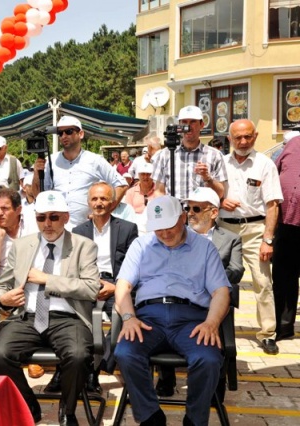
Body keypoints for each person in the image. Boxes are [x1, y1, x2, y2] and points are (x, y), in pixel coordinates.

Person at [114, 195, 232, 426]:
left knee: (208, 359)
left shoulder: (205, 247)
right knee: (125, 353)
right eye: (158, 229)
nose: (165, 234)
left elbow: (221, 292)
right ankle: (150, 416)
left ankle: (195, 420)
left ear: (183, 217)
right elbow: (123, 286)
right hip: (149, 318)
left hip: (191, 318)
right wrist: (128, 318)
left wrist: (211, 323)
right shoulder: (141, 245)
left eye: (169, 227)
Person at [0, 191, 100, 426]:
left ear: (66, 217)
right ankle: (29, 405)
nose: (47, 224)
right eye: (42, 218)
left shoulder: (84, 246)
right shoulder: (22, 246)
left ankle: (67, 409)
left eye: (54, 217)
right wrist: (4, 299)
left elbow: (91, 289)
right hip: (27, 317)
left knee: (79, 356)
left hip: (68, 318)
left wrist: (46, 279)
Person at [47, 182, 137, 394]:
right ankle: (64, 368)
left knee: (120, 318)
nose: (99, 203)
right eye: (95, 199)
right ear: (88, 203)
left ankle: (94, 370)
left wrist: (115, 286)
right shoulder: (78, 231)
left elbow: (134, 265)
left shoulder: (127, 229)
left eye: (104, 198)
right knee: (72, 318)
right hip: (87, 283)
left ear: (113, 202)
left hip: (116, 284)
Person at [156, 187, 245, 398]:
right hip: (181, 297)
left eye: (197, 208)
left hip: (214, 297)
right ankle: (166, 378)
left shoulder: (231, 238)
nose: (191, 213)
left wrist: (208, 275)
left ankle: (214, 383)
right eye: (188, 208)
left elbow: (237, 270)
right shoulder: (176, 234)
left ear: (214, 212)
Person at [219, 119, 283, 355]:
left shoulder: (265, 164)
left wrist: (268, 239)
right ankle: (212, 327)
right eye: (238, 137)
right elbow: (207, 195)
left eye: (247, 136)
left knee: (263, 282)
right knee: (215, 280)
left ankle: (267, 333)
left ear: (255, 136)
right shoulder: (220, 163)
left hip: (255, 230)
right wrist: (221, 200)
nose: (243, 142)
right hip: (224, 228)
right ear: (230, 139)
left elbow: (273, 204)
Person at [32, 115, 128, 228]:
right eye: (60, 133)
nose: (63, 136)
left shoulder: (95, 160)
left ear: (81, 134)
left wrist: (105, 211)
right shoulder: (50, 161)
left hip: (86, 229)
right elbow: (37, 195)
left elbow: (121, 184)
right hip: (57, 230)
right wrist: (36, 174)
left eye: (68, 131)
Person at [152, 105, 227, 201]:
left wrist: (208, 178)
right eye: (184, 122)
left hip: (201, 213)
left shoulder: (215, 155)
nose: (188, 126)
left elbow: (220, 193)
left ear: (202, 125)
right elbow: (159, 191)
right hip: (175, 213)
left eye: (193, 122)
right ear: (179, 125)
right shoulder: (165, 154)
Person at [273, 132, 300, 340]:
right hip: (286, 222)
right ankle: (283, 328)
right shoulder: (291, 144)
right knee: (283, 278)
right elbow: (274, 173)